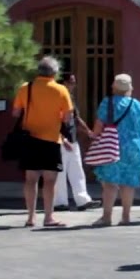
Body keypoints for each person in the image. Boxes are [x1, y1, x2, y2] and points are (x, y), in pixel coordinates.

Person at [10, 57, 75, 228]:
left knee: (30, 179)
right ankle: (48, 217)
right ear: (55, 72)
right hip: (51, 140)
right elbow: (67, 117)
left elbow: (16, 113)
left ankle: (31, 217)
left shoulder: (26, 88)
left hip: (30, 139)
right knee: (50, 180)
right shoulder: (61, 90)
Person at [90, 74, 140, 226]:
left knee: (110, 183)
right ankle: (126, 216)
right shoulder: (136, 105)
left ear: (114, 87)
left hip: (113, 147)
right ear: (129, 88)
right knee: (128, 183)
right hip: (135, 148)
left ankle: (107, 217)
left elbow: (99, 124)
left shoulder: (107, 102)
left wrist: (93, 136)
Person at [53, 74, 97, 212]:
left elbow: (77, 118)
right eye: (72, 82)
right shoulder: (56, 98)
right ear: (64, 83)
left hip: (72, 140)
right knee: (60, 173)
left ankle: (83, 200)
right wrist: (62, 138)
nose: (74, 85)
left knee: (77, 171)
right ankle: (60, 202)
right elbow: (52, 121)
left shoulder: (70, 98)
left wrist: (88, 131)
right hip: (59, 140)